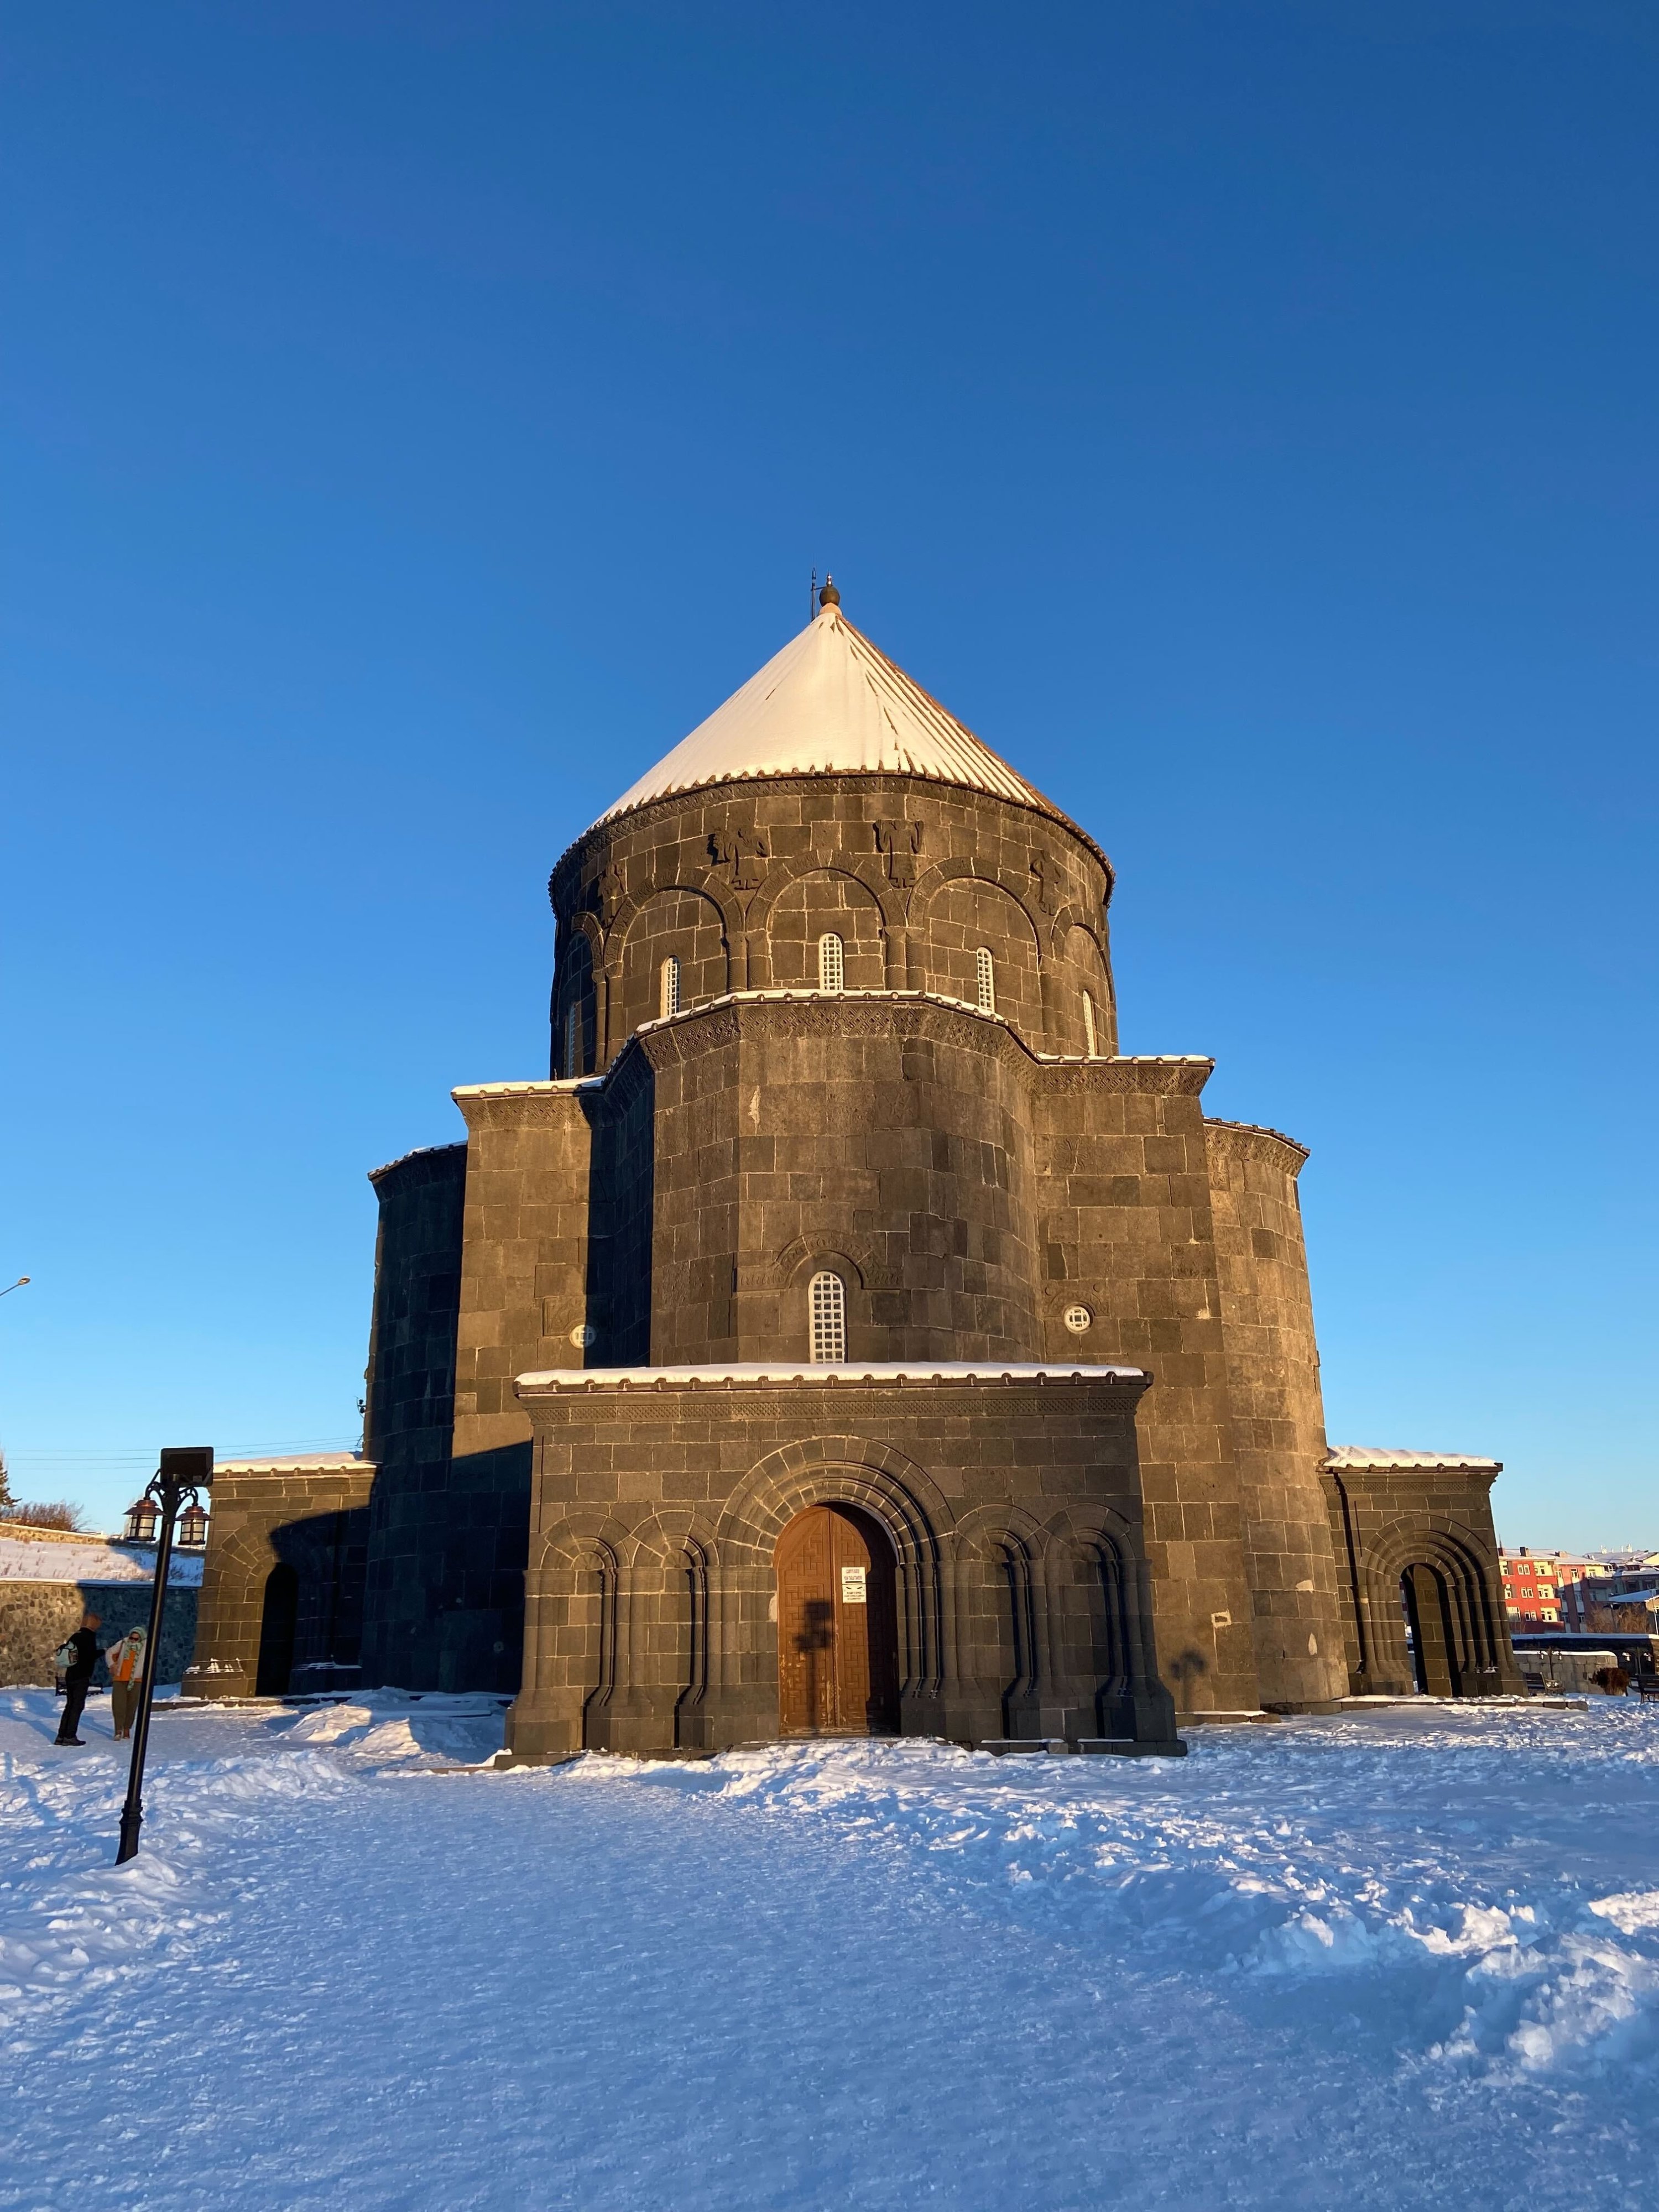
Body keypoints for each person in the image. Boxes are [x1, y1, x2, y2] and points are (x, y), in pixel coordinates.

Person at [54, 1609, 101, 1746]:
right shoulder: (89, 1637)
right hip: (82, 1676)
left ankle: (61, 1736)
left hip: (70, 1675)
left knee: (70, 1705)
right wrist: (103, 1651)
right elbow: (89, 1656)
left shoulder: (75, 1636)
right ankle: (70, 1736)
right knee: (77, 1706)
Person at [105, 1624, 147, 1740]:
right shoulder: (123, 1643)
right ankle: (118, 1730)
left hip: (137, 1679)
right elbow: (109, 1653)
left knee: (132, 1705)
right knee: (119, 1705)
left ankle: (127, 1728)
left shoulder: (145, 1647)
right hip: (120, 1678)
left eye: (136, 1639)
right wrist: (112, 1665)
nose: (133, 1641)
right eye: (131, 1638)